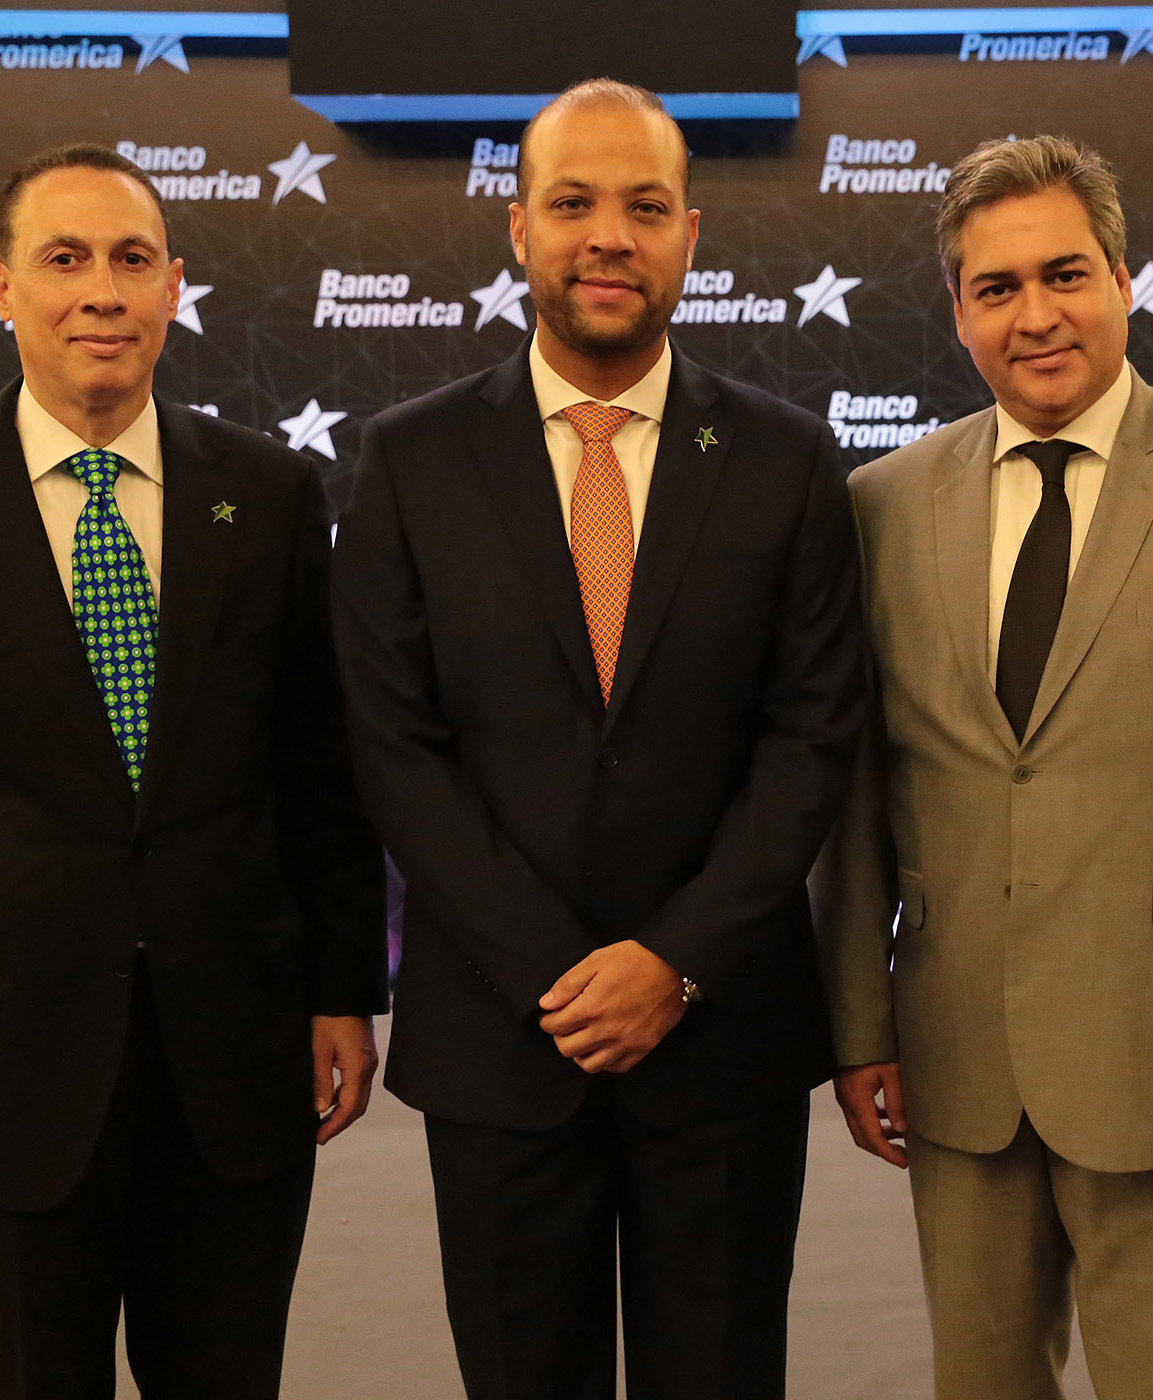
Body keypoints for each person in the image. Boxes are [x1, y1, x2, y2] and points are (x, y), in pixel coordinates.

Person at [0, 144, 386, 1398]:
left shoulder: (272, 493)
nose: (101, 292)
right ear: (2, 288)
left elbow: (318, 767)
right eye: (64, 260)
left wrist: (345, 987)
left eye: (130, 260)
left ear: (176, 286)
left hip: (235, 1065)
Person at [331, 79, 863, 1399]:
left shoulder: (792, 462)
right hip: (506, 1044)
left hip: (723, 1041)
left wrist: (673, 964)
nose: (606, 234)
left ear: (693, 233)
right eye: (572, 203)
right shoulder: (408, 463)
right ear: (519, 229)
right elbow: (397, 751)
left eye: (642, 205)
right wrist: (563, 974)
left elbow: (811, 743)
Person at [816, 134, 1153, 1400]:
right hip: (955, 1061)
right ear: (958, 312)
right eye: (996, 287)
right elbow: (851, 799)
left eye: (1065, 273)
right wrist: (856, 1024)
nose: (1036, 314)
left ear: (1126, 279)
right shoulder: (883, 501)